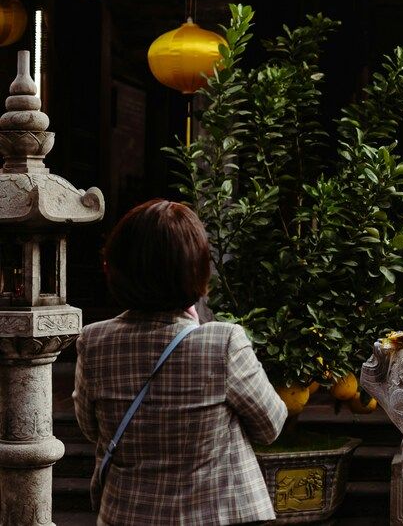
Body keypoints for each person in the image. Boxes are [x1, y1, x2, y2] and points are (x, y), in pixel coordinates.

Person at [74, 199, 288, 525]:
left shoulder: (94, 342)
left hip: (127, 514)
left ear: (115, 270)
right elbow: (270, 426)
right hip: (217, 515)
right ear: (199, 269)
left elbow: (92, 429)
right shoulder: (223, 342)